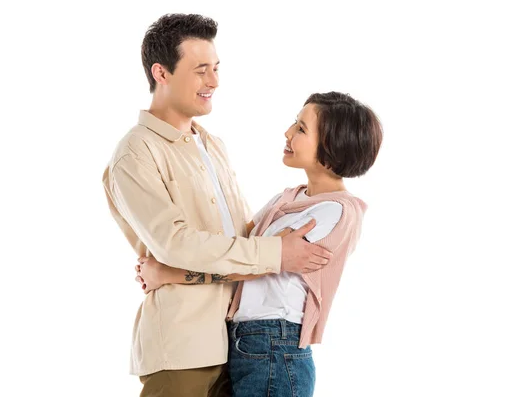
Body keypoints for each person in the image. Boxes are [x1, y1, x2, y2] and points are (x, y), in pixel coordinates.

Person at [102, 13, 332, 397]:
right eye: (201, 70)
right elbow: (177, 244)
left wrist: (176, 273)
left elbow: (236, 239)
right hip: (183, 351)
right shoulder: (136, 152)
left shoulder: (211, 145)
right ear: (161, 73)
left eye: (216, 68)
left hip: (242, 345)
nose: (214, 81)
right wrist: (276, 253)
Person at [136, 91, 383, 396]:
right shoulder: (287, 198)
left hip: (275, 346)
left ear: (333, 147)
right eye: (295, 122)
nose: (288, 132)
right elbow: (240, 249)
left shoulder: (336, 211)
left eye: (302, 129)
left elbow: (256, 263)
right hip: (244, 343)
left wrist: (168, 274)